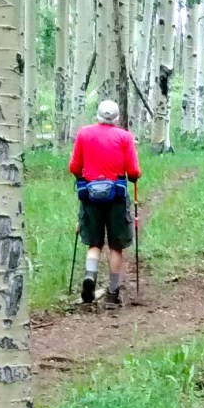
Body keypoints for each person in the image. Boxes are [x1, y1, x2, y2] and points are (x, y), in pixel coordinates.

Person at [69, 99, 141, 305]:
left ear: (97, 116)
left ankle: (90, 277)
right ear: (117, 118)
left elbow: (74, 167)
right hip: (116, 197)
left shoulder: (84, 134)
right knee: (116, 246)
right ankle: (112, 293)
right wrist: (135, 176)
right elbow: (133, 172)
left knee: (94, 243)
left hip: (90, 196)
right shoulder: (124, 137)